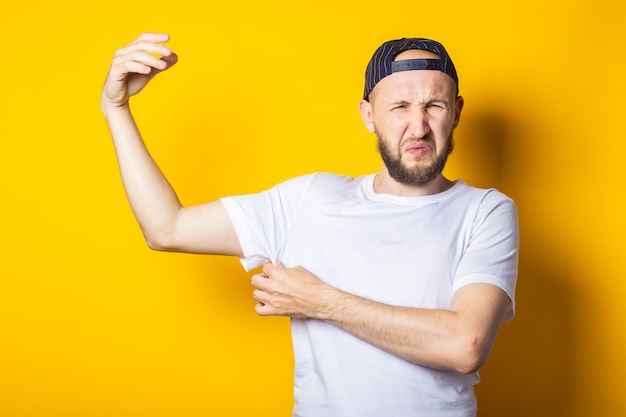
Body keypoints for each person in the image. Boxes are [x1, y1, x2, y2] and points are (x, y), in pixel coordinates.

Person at [101, 33, 518, 417]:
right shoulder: (311, 199)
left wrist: (319, 301)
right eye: (400, 107)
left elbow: (465, 345)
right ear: (368, 115)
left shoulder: (485, 211)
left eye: (434, 106)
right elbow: (167, 228)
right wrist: (116, 108)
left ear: (456, 112)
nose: (419, 126)